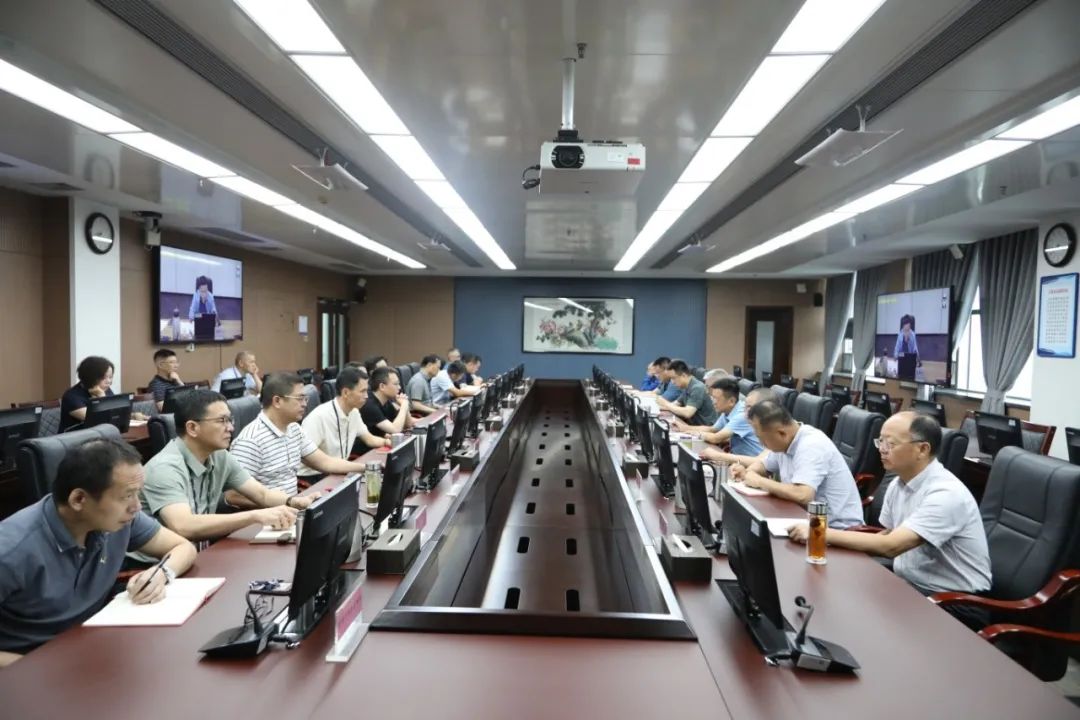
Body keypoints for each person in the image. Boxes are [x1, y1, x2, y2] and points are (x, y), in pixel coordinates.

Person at [0, 438, 196, 665]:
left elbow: (183, 547)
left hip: (91, 647)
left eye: (137, 493)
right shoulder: (11, 550)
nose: (137, 506)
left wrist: (161, 573)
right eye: (127, 496)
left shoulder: (119, 520)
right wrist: (37, 669)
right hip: (33, 666)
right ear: (79, 499)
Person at [787, 412, 991, 627]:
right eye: (880, 441)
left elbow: (890, 546)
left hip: (955, 601)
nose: (882, 449)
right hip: (911, 583)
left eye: (891, 443)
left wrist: (819, 533)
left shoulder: (946, 494)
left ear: (922, 449)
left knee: (855, 614)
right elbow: (887, 534)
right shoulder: (899, 483)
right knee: (837, 586)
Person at [140, 388, 314, 547]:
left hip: (199, 554)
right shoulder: (164, 468)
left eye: (230, 420)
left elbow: (262, 494)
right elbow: (183, 526)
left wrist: (295, 502)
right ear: (192, 428)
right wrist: (255, 516)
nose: (230, 428)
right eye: (222, 421)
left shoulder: (219, 455)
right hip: (157, 564)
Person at [228, 373, 374, 500]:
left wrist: (368, 468)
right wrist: (286, 502)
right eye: (300, 398)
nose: (304, 404)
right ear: (277, 401)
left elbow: (325, 462)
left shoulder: (294, 429)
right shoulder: (250, 441)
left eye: (305, 399)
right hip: (269, 516)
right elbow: (233, 496)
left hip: (292, 508)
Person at [731, 400, 863, 529]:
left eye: (761, 438)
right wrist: (748, 472)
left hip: (836, 529)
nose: (761, 444)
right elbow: (763, 465)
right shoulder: (784, 442)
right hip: (803, 519)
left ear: (781, 433)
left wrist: (760, 481)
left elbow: (803, 495)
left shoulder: (812, 445)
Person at [300, 366, 389, 482]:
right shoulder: (318, 417)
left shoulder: (354, 411)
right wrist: (366, 467)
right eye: (362, 391)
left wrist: (388, 442)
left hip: (339, 470)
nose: (367, 396)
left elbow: (370, 439)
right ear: (346, 392)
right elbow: (308, 460)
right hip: (314, 477)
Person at [674, 377, 763, 458]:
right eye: (712, 398)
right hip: (738, 458)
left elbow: (716, 438)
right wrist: (686, 428)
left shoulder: (742, 415)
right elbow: (712, 429)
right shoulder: (728, 410)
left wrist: (693, 433)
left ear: (731, 401)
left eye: (716, 399)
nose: (713, 402)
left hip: (751, 462)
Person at [700, 386, 775, 466]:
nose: (745, 413)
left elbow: (760, 462)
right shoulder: (756, 426)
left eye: (749, 407)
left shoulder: (775, 433)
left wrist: (717, 456)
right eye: (745, 407)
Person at [59, 356, 115, 433]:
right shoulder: (72, 396)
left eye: (110, 377)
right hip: (74, 438)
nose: (108, 381)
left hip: (98, 435)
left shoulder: (105, 389)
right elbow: (99, 421)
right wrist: (102, 397)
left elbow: (115, 413)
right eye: (103, 378)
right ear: (90, 377)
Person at [657, 359, 717, 427]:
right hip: (693, 426)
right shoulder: (686, 387)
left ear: (684, 375)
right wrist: (657, 407)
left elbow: (688, 413)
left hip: (704, 429)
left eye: (673, 378)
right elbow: (675, 405)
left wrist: (665, 404)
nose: (672, 382)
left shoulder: (697, 388)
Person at [361, 366, 415, 438]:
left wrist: (405, 406)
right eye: (396, 384)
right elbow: (395, 430)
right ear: (382, 386)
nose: (399, 387)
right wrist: (404, 406)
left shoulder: (386, 400)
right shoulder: (369, 405)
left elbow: (408, 424)